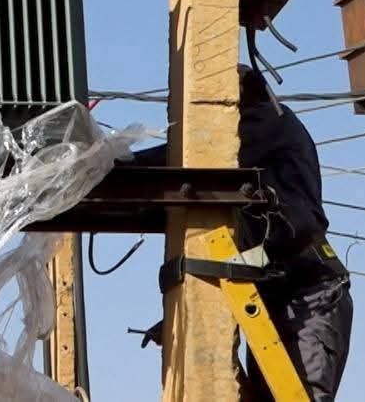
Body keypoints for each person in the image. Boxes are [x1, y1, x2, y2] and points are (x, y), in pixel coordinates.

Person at [133, 65, 353, 402]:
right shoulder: (264, 131)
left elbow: (194, 158)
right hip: (277, 293)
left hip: (309, 295)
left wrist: (115, 165)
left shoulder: (267, 121)